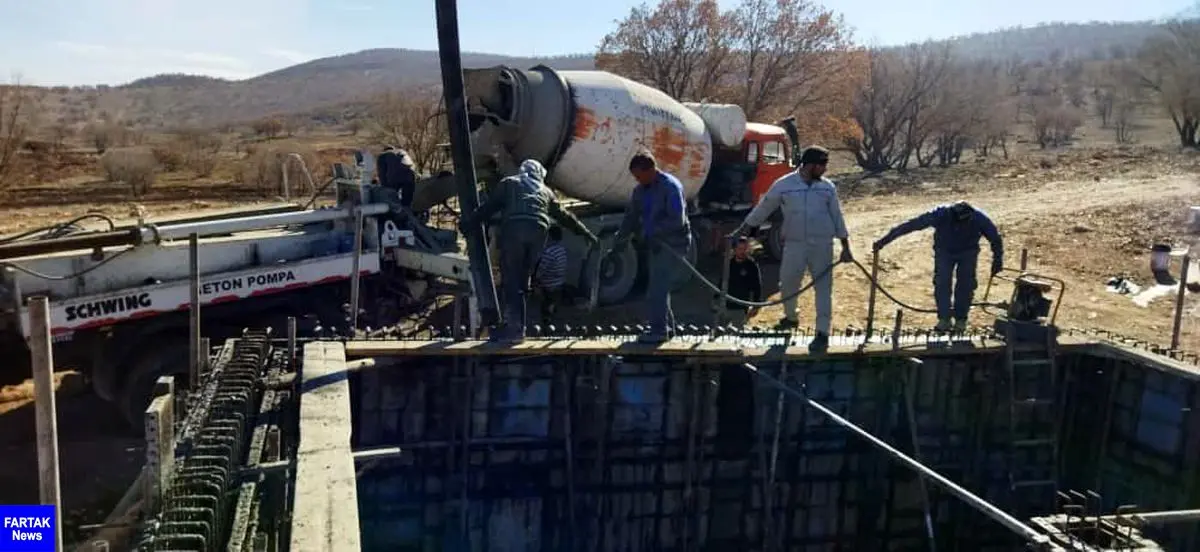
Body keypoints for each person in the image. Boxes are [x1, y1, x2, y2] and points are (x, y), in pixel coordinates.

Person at [728, 145, 851, 353]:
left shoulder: (827, 188)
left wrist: (845, 246)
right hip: (794, 243)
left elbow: (837, 217)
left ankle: (822, 332)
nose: (824, 169)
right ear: (809, 164)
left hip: (822, 245)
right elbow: (765, 207)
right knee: (787, 283)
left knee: (823, 289)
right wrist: (742, 230)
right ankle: (791, 317)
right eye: (821, 164)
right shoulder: (784, 185)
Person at [460, 159, 598, 343]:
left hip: (515, 229)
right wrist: (587, 234)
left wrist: (469, 223)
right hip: (539, 233)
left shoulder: (509, 183)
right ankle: (518, 328)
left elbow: (489, 208)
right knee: (523, 282)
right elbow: (566, 217)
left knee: (511, 279)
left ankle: (513, 330)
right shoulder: (546, 191)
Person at [873, 200, 1004, 333]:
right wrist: (885, 240)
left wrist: (998, 259)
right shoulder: (941, 214)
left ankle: (961, 320)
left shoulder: (979, 218)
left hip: (968, 252)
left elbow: (995, 238)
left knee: (966, 284)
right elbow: (911, 225)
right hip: (944, 251)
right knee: (942, 282)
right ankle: (944, 319)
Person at [611, 151, 693, 343]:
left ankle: (658, 331)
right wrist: (620, 239)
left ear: (651, 169)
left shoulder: (670, 187)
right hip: (655, 244)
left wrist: (653, 231)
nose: (637, 180)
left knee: (656, 288)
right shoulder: (640, 190)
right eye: (635, 177)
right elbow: (631, 216)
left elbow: (677, 220)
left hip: (674, 244)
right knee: (659, 286)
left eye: (639, 176)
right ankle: (666, 328)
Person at [714, 236, 762, 326]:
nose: (742, 251)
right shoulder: (729, 264)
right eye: (740, 249)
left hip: (741, 306)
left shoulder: (751, 265)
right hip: (726, 304)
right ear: (735, 249)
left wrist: (756, 305)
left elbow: (757, 286)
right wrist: (716, 299)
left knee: (737, 331)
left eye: (744, 249)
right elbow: (721, 282)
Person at [534, 225, 569, 325]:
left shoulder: (549, 252)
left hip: (549, 284)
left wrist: (535, 281)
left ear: (549, 236)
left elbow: (541, 271)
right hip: (559, 282)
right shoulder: (562, 250)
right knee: (553, 304)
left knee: (546, 306)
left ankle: (546, 321)